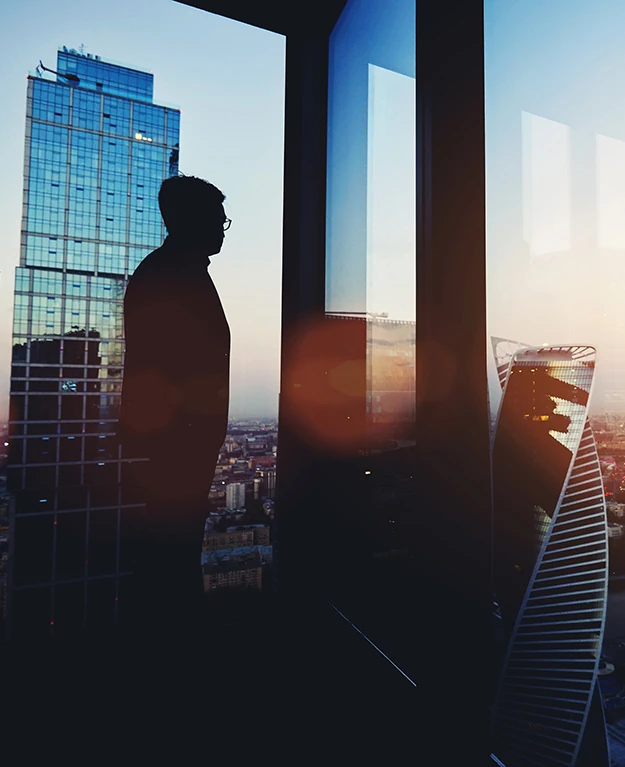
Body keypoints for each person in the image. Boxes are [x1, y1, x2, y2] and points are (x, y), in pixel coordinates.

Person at [118, 174, 231, 640]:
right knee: (170, 553)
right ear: (189, 221)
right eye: (217, 218)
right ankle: (175, 648)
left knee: (172, 551)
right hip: (174, 448)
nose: (223, 227)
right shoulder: (172, 276)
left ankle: (175, 641)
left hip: (176, 445)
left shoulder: (173, 271)